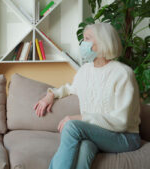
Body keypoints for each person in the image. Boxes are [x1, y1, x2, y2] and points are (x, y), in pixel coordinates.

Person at [34, 23, 141, 169]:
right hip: (98, 133)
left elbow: (121, 122)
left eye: (87, 39)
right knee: (85, 147)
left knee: (71, 126)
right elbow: (69, 89)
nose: (82, 43)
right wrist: (51, 95)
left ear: (103, 43)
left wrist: (80, 118)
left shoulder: (123, 74)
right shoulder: (85, 71)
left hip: (125, 137)